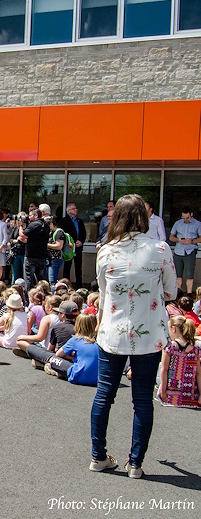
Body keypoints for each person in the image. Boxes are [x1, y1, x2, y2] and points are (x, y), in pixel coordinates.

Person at [90, 194, 178, 479]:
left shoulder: (105, 251)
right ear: (144, 216)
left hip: (112, 332)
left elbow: (103, 294)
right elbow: (170, 293)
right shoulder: (161, 249)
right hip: (148, 333)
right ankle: (135, 463)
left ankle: (98, 457)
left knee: (105, 395)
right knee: (142, 399)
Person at [157, 316, 200, 408]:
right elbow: (199, 373)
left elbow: (164, 370)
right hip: (191, 397)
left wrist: (163, 392)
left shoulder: (169, 348)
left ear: (174, 329)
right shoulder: (196, 350)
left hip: (171, 397)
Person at [169, 206, 201, 294]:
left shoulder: (197, 224)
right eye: (183, 218)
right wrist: (178, 240)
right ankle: (178, 294)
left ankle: (189, 294)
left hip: (190, 251)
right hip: (178, 250)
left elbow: (200, 238)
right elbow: (171, 237)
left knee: (189, 275)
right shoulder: (178, 223)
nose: (185, 220)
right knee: (178, 275)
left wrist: (191, 241)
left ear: (191, 214)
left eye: (187, 218)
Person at [19, 207, 48, 290]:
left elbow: (22, 235)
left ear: (36, 215)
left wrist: (21, 226)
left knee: (29, 278)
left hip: (31, 257)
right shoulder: (46, 225)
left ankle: (29, 298)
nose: (29, 217)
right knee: (41, 279)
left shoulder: (34, 225)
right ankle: (43, 295)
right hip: (42, 256)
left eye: (31, 215)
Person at [60, 202, 86, 286]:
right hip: (69, 247)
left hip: (78, 247)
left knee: (78, 267)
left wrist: (81, 241)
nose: (76, 210)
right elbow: (64, 234)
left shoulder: (79, 221)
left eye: (76, 208)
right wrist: (72, 242)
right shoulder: (64, 221)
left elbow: (83, 233)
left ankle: (79, 285)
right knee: (67, 266)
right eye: (73, 209)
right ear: (68, 211)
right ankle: (66, 285)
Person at [46, 217, 66, 286]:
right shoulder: (52, 233)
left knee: (52, 281)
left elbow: (59, 246)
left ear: (51, 224)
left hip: (56, 259)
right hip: (51, 259)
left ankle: (54, 294)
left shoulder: (59, 232)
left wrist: (46, 245)